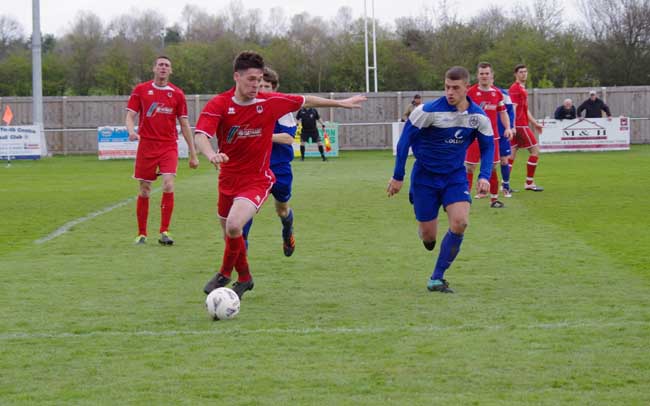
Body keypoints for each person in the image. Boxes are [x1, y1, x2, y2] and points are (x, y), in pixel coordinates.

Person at [194, 51, 365, 299]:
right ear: (236, 77)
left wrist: (341, 103)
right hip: (228, 179)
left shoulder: (270, 102)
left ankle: (224, 273)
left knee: (234, 225)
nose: (256, 85)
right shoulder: (219, 104)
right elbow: (201, 135)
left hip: (258, 179)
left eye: (259, 79)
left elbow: (306, 100)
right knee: (230, 234)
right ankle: (245, 278)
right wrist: (210, 154)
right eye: (251, 79)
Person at [387, 66, 494, 294]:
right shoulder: (427, 111)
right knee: (429, 237)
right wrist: (398, 176)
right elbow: (404, 142)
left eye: (455, 88)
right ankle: (423, 219)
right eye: (447, 87)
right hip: (424, 177)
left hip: (454, 176)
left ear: (467, 87)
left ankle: (437, 278)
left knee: (460, 222)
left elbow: (488, 147)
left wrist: (485, 176)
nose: (450, 92)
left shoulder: (478, 117)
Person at [126, 56, 199, 245]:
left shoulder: (177, 94)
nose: (163, 68)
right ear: (154, 68)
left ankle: (164, 231)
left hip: (168, 145)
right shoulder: (141, 90)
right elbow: (130, 116)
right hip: (147, 145)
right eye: (160, 65)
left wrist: (193, 153)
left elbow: (184, 124)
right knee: (145, 189)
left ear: (171, 70)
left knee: (168, 184)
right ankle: (142, 234)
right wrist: (131, 131)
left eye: (167, 65)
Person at [242, 67, 298, 257]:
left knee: (282, 210)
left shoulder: (282, 110)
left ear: (274, 89)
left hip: (279, 168)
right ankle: (240, 259)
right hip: (254, 168)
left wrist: (262, 135)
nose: (263, 90)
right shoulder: (247, 108)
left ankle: (287, 230)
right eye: (260, 86)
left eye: (267, 86)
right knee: (245, 211)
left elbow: (288, 138)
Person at [464, 62, 514, 208]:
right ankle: (464, 198)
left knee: (492, 167)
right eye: (482, 73)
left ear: (491, 75)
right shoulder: (470, 93)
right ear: (477, 75)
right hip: (473, 137)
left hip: (492, 137)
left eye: (487, 73)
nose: (484, 76)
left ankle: (494, 199)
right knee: (469, 167)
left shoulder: (497, 93)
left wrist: (508, 128)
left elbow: (503, 112)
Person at [508, 64, 544, 192]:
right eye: (521, 72)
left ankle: (504, 185)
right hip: (520, 125)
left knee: (511, 154)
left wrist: (535, 123)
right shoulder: (516, 88)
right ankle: (529, 182)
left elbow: (525, 109)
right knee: (535, 150)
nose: (524, 74)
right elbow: (513, 107)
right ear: (516, 74)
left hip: (518, 125)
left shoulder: (522, 88)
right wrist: (512, 126)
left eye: (525, 72)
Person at [495, 82, 516, 197]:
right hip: (486, 133)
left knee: (504, 160)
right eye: (482, 74)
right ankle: (485, 189)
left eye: (488, 74)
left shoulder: (502, 94)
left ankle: (506, 187)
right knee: (489, 162)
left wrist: (511, 127)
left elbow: (510, 111)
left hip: (502, 132)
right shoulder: (476, 93)